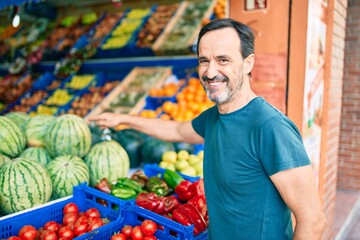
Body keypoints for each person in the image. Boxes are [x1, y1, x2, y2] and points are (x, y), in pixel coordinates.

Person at [88, 18, 326, 239]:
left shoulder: (271, 127)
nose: (210, 72)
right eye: (204, 61)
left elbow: (313, 220)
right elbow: (177, 131)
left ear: (248, 63)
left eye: (223, 60)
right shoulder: (214, 118)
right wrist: (123, 119)